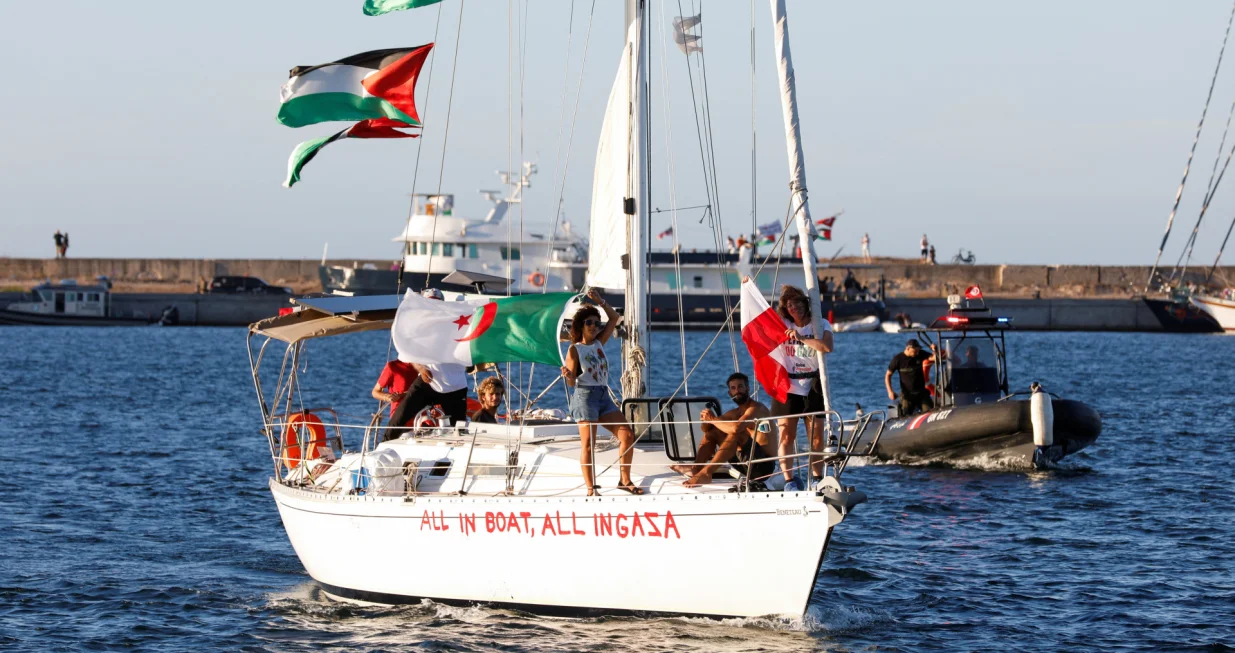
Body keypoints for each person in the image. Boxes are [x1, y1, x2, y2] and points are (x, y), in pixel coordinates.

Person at [561, 289, 641, 496]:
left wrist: (600, 302)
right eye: (590, 323)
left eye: (597, 323)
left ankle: (625, 480)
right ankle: (591, 488)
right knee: (588, 445)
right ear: (580, 326)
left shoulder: (599, 343)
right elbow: (571, 383)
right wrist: (568, 375)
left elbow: (614, 318)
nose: (595, 327)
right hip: (585, 397)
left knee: (627, 435)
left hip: (603, 396)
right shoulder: (574, 350)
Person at [382, 288, 469, 440]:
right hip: (427, 381)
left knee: (459, 430)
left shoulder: (457, 323)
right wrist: (421, 368)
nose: (432, 307)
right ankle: (381, 448)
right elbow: (409, 352)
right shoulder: (418, 327)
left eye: (435, 303)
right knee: (398, 420)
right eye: (428, 303)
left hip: (454, 385)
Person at [771, 285, 834, 492]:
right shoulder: (783, 323)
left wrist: (802, 338)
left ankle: (816, 478)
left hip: (813, 384)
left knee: (816, 437)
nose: (793, 307)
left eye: (797, 302)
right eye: (789, 305)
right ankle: (789, 480)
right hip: (788, 385)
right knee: (787, 436)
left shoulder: (819, 324)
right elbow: (761, 319)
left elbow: (827, 347)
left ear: (805, 304)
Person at [668, 373, 772, 487]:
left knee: (736, 434)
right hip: (744, 465)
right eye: (733, 388)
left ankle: (706, 473)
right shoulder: (734, 413)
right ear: (729, 393)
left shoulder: (756, 408)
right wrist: (706, 419)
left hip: (763, 467)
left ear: (747, 388)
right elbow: (706, 429)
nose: (737, 391)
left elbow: (736, 428)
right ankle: (696, 468)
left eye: (740, 386)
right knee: (713, 432)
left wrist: (713, 419)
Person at [885, 339, 937, 416]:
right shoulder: (898, 359)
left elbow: (935, 358)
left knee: (930, 412)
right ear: (908, 349)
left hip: (921, 393)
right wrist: (890, 391)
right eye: (915, 351)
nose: (917, 353)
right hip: (907, 394)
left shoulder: (920, 354)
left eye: (918, 351)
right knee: (906, 413)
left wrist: (934, 350)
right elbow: (888, 375)